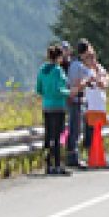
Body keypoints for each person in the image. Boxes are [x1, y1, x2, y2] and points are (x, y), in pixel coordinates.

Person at [36, 44, 73, 176]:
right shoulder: (58, 70)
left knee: (49, 135)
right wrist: (69, 93)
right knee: (58, 137)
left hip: (46, 106)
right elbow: (59, 89)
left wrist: (47, 94)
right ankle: (57, 165)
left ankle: (48, 164)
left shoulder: (42, 70)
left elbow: (38, 89)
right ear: (58, 57)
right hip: (58, 106)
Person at [64, 39, 92, 169]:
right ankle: (72, 156)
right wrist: (85, 82)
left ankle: (73, 154)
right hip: (75, 99)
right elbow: (75, 82)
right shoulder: (76, 65)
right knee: (75, 128)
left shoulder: (77, 64)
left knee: (77, 128)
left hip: (77, 99)